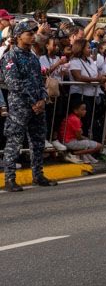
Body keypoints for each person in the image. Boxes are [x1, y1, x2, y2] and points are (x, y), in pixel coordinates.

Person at [2, 20, 58, 191]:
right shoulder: (10, 57)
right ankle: (10, 179)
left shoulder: (33, 57)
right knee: (14, 143)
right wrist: (33, 102)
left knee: (38, 142)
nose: (33, 36)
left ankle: (38, 175)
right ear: (18, 36)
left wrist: (42, 99)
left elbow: (40, 81)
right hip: (20, 106)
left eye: (33, 33)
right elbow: (14, 84)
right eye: (29, 33)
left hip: (37, 107)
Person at [59, 95, 104, 163]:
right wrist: (85, 138)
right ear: (75, 110)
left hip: (66, 140)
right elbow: (79, 137)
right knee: (99, 146)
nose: (85, 111)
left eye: (85, 109)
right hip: (69, 142)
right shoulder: (75, 119)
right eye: (82, 109)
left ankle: (81, 155)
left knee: (88, 142)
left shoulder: (72, 117)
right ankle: (73, 154)